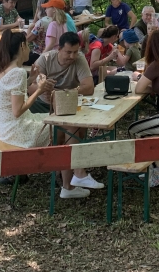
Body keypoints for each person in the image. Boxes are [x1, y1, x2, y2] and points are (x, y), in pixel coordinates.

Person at [28, 32, 101, 198]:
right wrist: (42, 89)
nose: (72, 56)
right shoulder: (45, 59)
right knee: (73, 128)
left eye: (75, 52)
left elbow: (89, 87)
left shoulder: (79, 59)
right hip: (43, 107)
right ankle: (75, 174)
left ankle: (70, 177)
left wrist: (62, 94)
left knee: (76, 126)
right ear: (59, 49)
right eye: (68, 52)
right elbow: (30, 88)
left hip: (67, 106)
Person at [0, 29, 54, 149]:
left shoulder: (2, 70)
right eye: (28, 45)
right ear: (22, 46)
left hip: (7, 131)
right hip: (19, 133)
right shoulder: (18, 72)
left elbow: (10, 95)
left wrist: (30, 79)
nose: (30, 50)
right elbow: (18, 111)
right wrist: (39, 90)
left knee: (54, 118)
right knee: (59, 125)